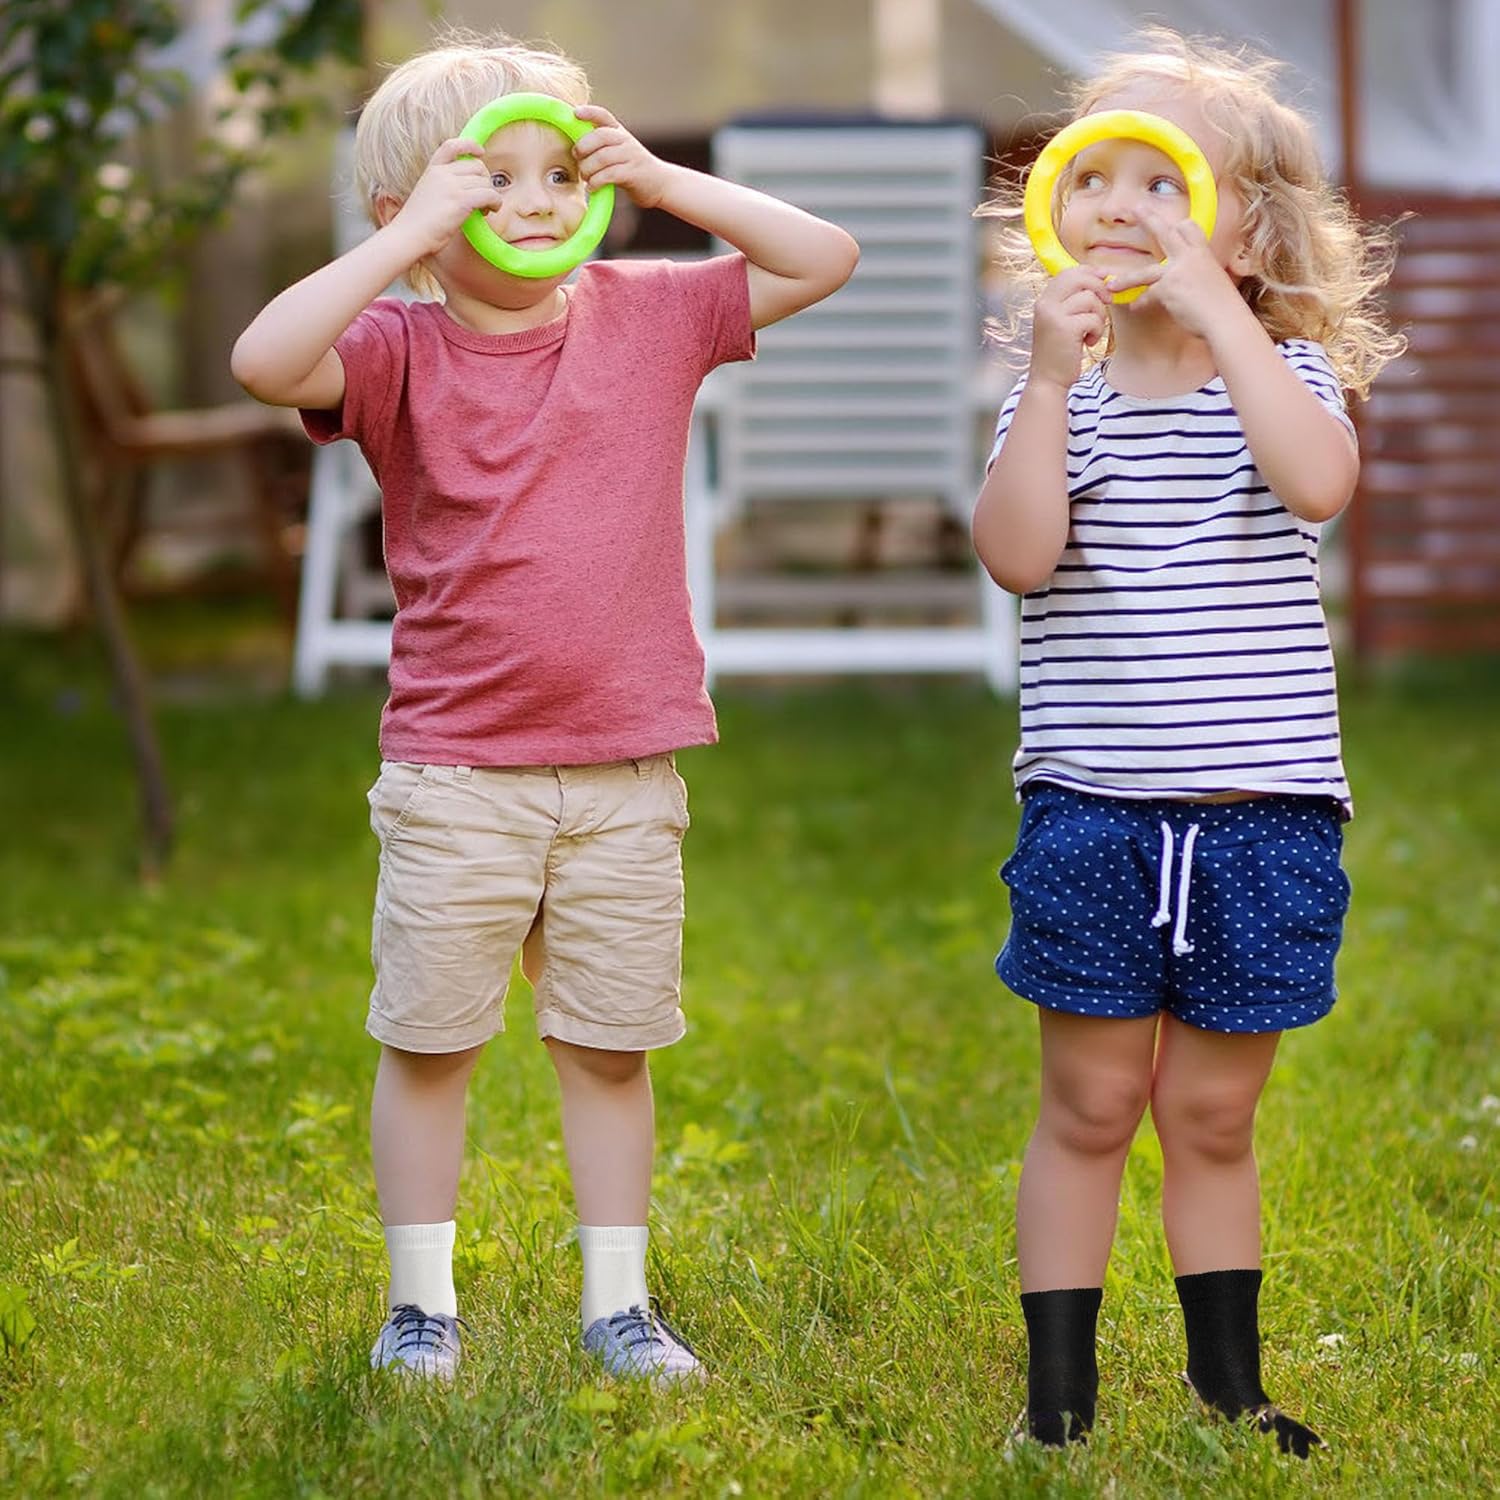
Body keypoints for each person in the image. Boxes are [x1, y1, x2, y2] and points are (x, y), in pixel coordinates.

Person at [231, 30, 858, 1382]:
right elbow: (266, 362)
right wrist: (405, 245)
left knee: (610, 1051)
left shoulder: (652, 311)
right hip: (457, 775)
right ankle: (421, 1309)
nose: (533, 201)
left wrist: (667, 182)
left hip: (625, 774)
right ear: (408, 210)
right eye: (490, 177)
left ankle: (618, 1308)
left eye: (559, 172)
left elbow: (824, 257)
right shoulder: (395, 348)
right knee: (431, 1047)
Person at [971, 28, 1402, 1456]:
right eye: (1091, 178)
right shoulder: (1061, 402)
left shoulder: (1287, 379)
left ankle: (1232, 1387)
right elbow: (1017, 558)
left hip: (1261, 816)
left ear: (1249, 232)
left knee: (1212, 1117)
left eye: (1162, 182)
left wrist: (1227, 320)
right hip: (1095, 812)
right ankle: (1058, 1404)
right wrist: (1046, 385)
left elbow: (1319, 485)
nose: (1120, 206)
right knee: (1090, 1103)